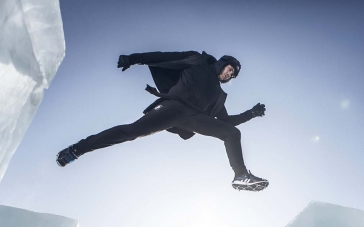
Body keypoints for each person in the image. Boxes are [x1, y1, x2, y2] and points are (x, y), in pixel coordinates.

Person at [56, 51, 268, 192]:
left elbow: (227, 120)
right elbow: (165, 55)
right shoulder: (199, 61)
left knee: (231, 133)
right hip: (174, 107)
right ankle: (77, 149)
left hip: (194, 118)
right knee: (131, 132)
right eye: (229, 69)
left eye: (232, 75)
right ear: (222, 64)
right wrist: (133, 58)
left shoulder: (219, 96)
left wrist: (251, 113)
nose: (229, 75)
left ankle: (240, 176)